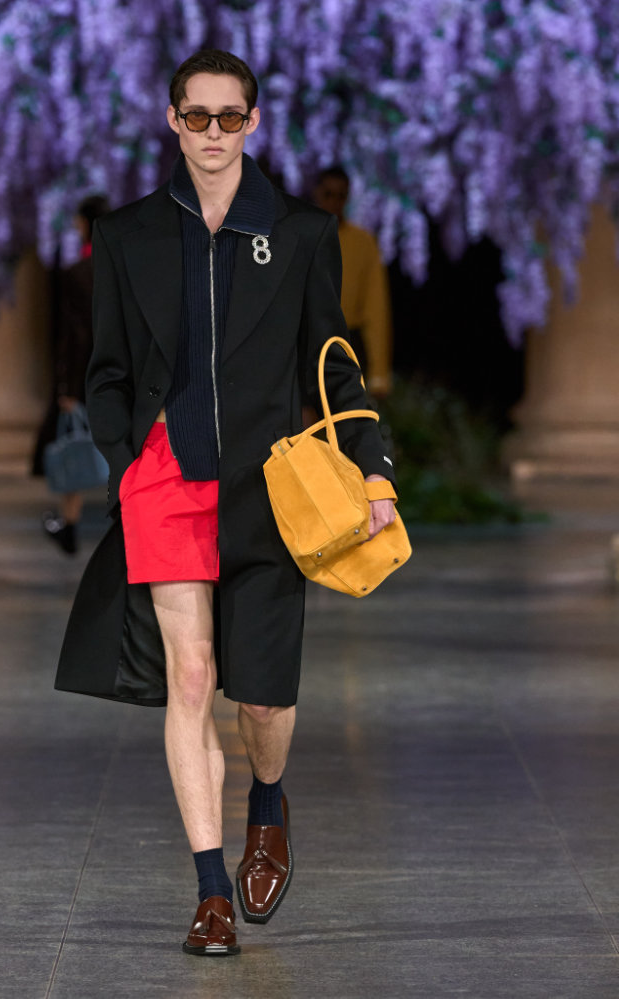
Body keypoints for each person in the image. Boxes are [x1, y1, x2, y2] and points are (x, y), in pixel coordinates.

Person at [55, 49, 397, 956]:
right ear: (173, 120)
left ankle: (268, 801)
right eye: (196, 116)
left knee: (265, 704)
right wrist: (128, 461)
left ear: (253, 122)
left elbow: (333, 363)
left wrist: (373, 468)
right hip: (166, 482)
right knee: (191, 678)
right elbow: (108, 369)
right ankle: (210, 891)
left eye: (229, 116)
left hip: (269, 492)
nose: (212, 132)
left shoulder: (301, 233)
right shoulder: (126, 236)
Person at [42, 195, 109, 554]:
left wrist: (66, 387)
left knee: (74, 446)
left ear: (85, 225)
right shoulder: (127, 270)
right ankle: (129, 527)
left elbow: (72, 337)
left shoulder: (78, 274)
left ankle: (69, 524)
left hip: (86, 374)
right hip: (123, 376)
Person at [312, 166, 393, 399]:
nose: (333, 202)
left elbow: (376, 309)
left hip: (348, 345)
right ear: (316, 194)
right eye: (328, 194)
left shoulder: (363, 242)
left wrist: (379, 374)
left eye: (340, 196)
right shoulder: (300, 236)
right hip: (308, 342)